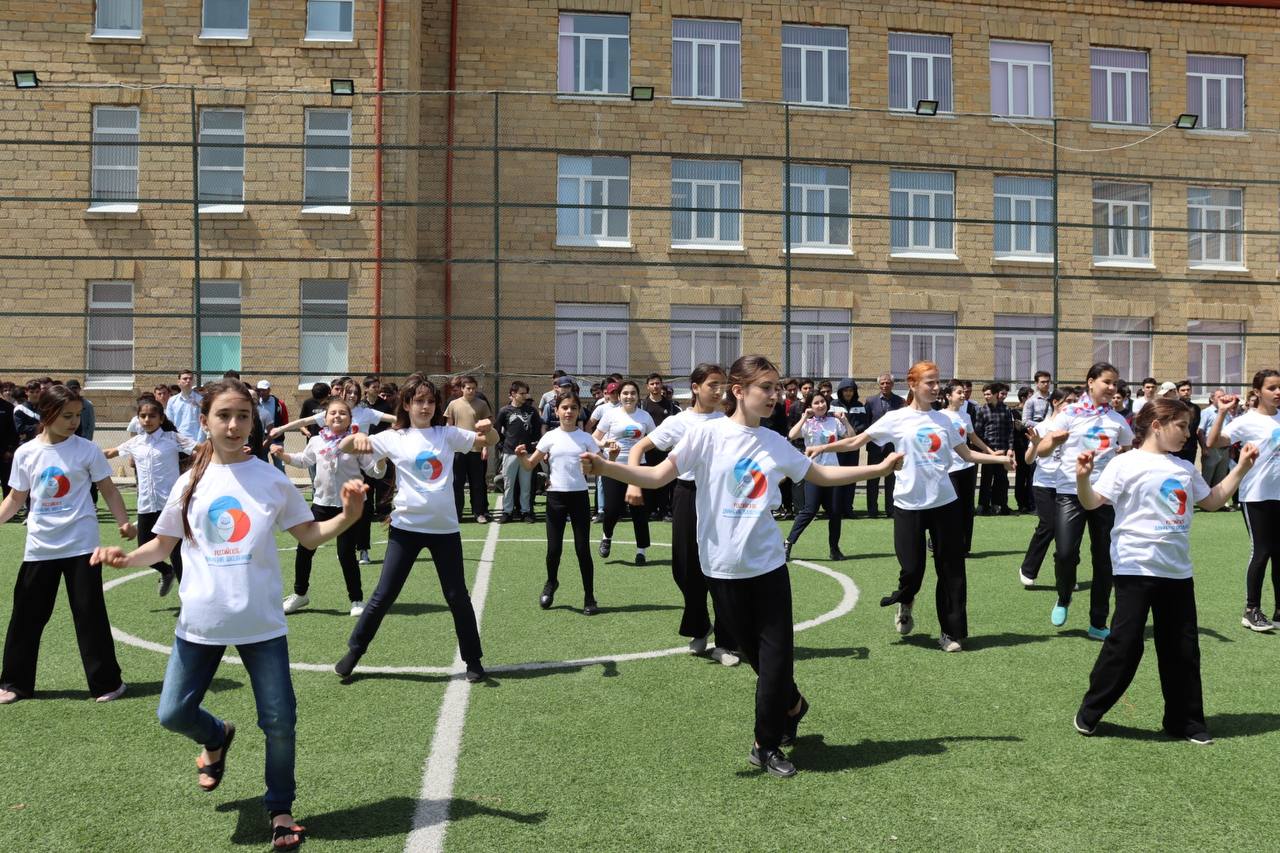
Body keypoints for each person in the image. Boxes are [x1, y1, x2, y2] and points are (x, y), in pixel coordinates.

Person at [582, 354, 902, 777]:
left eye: (777, 388)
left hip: (768, 566)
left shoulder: (774, 443)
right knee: (754, 656)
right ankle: (794, 704)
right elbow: (659, 476)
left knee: (775, 659)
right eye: (765, 388)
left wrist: (877, 467)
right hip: (720, 569)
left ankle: (764, 745)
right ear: (739, 391)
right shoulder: (705, 435)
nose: (775, 396)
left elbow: (819, 475)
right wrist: (607, 467)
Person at [91, 378, 366, 851]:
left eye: (243, 416)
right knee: (173, 713)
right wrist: (127, 557)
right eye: (224, 416)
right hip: (200, 623)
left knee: (279, 721)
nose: (235, 425)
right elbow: (162, 544)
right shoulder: (190, 480)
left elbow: (309, 536)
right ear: (205, 422)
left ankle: (280, 808)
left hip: (261, 624)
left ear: (253, 422)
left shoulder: (271, 479)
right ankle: (216, 735)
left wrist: (348, 516)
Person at [1071, 397, 1256, 746]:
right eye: (1182, 426)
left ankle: (1185, 722)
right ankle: (1091, 711)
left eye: (1189, 427)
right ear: (1157, 425)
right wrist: (1082, 478)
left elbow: (1213, 501)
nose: (1189, 434)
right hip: (1134, 567)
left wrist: (1242, 467)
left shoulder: (1184, 468)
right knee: (1125, 645)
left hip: (1177, 572)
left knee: (1182, 649)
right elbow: (1092, 501)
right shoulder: (1125, 463)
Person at [821, 362, 1013, 652]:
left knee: (952, 570)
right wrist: (822, 448)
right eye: (930, 383)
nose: (936, 388)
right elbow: (857, 442)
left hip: (944, 502)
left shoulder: (946, 421)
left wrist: (1000, 459)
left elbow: (966, 453)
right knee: (912, 569)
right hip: (908, 504)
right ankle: (906, 599)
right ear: (913, 385)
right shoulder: (895, 418)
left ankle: (951, 633)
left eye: (938, 383)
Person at [335, 374, 496, 683]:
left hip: (445, 530)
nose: (425, 406)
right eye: (418, 401)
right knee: (384, 594)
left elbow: (487, 442)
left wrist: (490, 432)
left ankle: (473, 660)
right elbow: (345, 445)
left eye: (430, 401)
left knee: (457, 596)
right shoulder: (394, 437)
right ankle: (355, 651)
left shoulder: (446, 434)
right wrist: (352, 440)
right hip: (406, 529)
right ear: (406, 404)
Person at [0, 384, 135, 705]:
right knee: (26, 616)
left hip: (82, 545)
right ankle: (15, 683)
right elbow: (16, 498)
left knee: (89, 615)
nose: (75, 422)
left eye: (77, 415)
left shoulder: (86, 450)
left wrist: (123, 521)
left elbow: (109, 489)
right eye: (67, 416)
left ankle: (107, 683)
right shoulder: (26, 453)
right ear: (47, 415)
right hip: (40, 547)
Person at [626, 363, 739, 665]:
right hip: (686, 495)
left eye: (722, 385)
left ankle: (726, 643)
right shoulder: (680, 421)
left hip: (720, 499)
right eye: (712, 384)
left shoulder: (729, 421)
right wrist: (635, 482)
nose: (719, 391)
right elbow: (639, 448)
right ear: (695, 387)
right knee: (685, 568)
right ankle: (700, 627)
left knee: (722, 569)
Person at [1037, 361, 1135, 637]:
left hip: (1105, 495)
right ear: (1090, 382)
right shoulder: (1069, 413)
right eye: (1107, 382)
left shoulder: (1117, 420)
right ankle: (1064, 596)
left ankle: (1098, 622)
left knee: (1104, 558)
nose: (1112, 388)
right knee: (1066, 553)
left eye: (1115, 383)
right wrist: (1055, 441)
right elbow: (1042, 450)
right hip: (1070, 492)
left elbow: (1127, 448)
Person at [274, 396, 385, 617]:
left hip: (349, 508)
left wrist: (382, 459)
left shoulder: (354, 441)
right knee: (305, 549)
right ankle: (300, 594)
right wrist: (283, 455)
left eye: (342, 413)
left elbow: (374, 471)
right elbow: (303, 460)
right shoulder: (316, 440)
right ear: (324, 418)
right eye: (333, 413)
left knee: (346, 554)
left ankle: (356, 600)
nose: (337, 416)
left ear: (350, 418)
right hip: (321, 504)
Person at [515, 390, 605, 614]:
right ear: (556, 411)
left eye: (573, 408)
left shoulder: (586, 439)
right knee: (554, 549)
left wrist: (608, 456)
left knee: (582, 549)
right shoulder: (550, 437)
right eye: (564, 408)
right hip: (555, 497)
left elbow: (601, 466)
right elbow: (529, 465)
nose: (569, 412)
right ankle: (551, 582)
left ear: (579, 412)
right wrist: (521, 456)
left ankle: (589, 597)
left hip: (579, 497)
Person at [1202, 370, 1280, 630]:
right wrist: (1222, 412)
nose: (1278, 392)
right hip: (1257, 495)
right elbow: (1213, 442)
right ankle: (1251, 610)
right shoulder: (1248, 420)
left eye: (1279, 387)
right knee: (1262, 551)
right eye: (1272, 388)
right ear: (1257, 392)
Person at [104, 395, 196, 596]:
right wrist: (83, 453)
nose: (147, 420)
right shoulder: (135, 442)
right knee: (144, 546)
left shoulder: (173, 439)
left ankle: (187, 598)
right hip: (146, 504)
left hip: (171, 505)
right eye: (143, 416)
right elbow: (111, 452)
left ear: (161, 419)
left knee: (176, 552)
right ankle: (166, 571)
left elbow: (200, 448)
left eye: (152, 416)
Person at [593, 380, 656, 564]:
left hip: (638, 469)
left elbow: (655, 439)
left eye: (633, 393)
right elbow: (594, 438)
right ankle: (607, 536)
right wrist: (605, 444)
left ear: (638, 396)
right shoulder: (610, 415)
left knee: (639, 510)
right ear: (619, 396)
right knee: (612, 509)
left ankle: (641, 551)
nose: (629, 396)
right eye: (625, 393)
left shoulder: (645, 416)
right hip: (613, 467)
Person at [1019, 388, 1076, 587]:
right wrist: (1035, 444)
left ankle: (1066, 576)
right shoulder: (1043, 427)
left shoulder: (1076, 426)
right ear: (1055, 403)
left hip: (1068, 484)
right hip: (1044, 484)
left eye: (1075, 401)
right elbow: (1028, 460)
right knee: (1048, 526)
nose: (1073, 405)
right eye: (1068, 401)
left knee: (1069, 532)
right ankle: (1028, 569)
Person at [783, 390, 849, 561]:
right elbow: (791, 435)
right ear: (810, 406)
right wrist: (804, 417)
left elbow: (852, 437)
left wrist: (845, 420)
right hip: (813, 471)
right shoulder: (808, 423)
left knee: (835, 512)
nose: (820, 405)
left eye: (822, 402)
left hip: (833, 472)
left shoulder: (834, 421)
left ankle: (834, 549)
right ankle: (788, 543)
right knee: (809, 510)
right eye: (816, 403)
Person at [941, 380, 999, 557]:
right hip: (949, 469)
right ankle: (943, 542)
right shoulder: (940, 416)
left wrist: (990, 452)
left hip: (967, 466)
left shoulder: (965, 417)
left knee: (967, 508)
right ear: (948, 396)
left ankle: (964, 546)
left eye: (963, 392)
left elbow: (973, 438)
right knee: (951, 508)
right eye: (958, 392)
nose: (963, 395)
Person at [444, 375, 494, 524]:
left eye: (473, 388)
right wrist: (448, 447)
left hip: (476, 450)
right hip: (458, 450)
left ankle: (479, 513)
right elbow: (449, 426)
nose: (471, 391)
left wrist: (485, 447)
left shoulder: (482, 405)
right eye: (468, 388)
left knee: (477, 483)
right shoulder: (453, 404)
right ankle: (457, 513)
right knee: (457, 483)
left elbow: (487, 427)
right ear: (462, 389)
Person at [495, 380, 542, 523]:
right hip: (509, 453)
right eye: (521, 393)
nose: (525, 396)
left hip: (527, 454)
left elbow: (536, 431)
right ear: (513, 394)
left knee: (526, 484)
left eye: (525, 393)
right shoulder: (504, 411)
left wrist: (531, 446)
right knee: (508, 484)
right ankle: (507, 512)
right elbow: (497, 431)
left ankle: (525, 511)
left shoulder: (532, 411)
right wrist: (505, 445)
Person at [865, 372, 905, 517]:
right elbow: (867, 424)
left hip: (892, 447)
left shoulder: (900, 402)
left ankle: (891, 509)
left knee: (891, 480)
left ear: (892, 384)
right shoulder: (870, 401)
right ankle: (872, 510)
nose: (885, 385)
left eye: (887, 383)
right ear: (879, 385)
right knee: (872, 479)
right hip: (875, 446)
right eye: (882, 383)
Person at [640, 372, 679, 521]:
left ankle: (664, 510)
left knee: (665, 480)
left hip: (665, 449)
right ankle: (650, 510)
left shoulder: (669, 405)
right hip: (648, 448)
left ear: (661, 385)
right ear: (647, 386)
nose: (655, 386)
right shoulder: (643, 405)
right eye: (652, 384)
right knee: (649, 479)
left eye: (658, 383)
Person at [830, 379, 869, 518]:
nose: (848, 393)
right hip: (838, 447)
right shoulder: (833, 405)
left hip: (853, 447)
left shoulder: (860, 406)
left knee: (851, 477)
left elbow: (863, 426)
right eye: (845, 390)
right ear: (840, 391)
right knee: (838, 478)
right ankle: (836, 509)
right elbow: (830, 425)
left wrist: (851, 436)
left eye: (851, 390)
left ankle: (848, 508)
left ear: (854, 392)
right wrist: (845, 436)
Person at [974, 382, 1014, 515]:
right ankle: (983, 506)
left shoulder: (1006, 410)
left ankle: (1000, 505)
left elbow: (1010, 431)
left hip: (1003, 451)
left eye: (988, 394)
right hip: (988, 451)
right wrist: (986, 450)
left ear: (995, 394)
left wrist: (1010, 449)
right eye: (984, 394)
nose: (986, 396)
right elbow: (977, 433)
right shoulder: (982, 410)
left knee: (1002, 479)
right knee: (986, 478)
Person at [166, 370, 205, 443]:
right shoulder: (172, 401)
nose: (188, 381)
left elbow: (203, 423)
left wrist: (199, 443)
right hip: (177, 442)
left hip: (196, 441)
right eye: (185, 378)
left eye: (190, 379)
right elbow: (169, 422)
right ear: (178, 382)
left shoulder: (200, 400)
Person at [1172, 380, 1201, 465]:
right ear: (1177, 392)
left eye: (1188, 390)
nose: (1186, 392)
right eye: (1183, 390)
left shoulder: (1196, 408)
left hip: (1190, 447)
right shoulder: (1174, 407)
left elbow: (1195, 428)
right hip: (1176, 446)